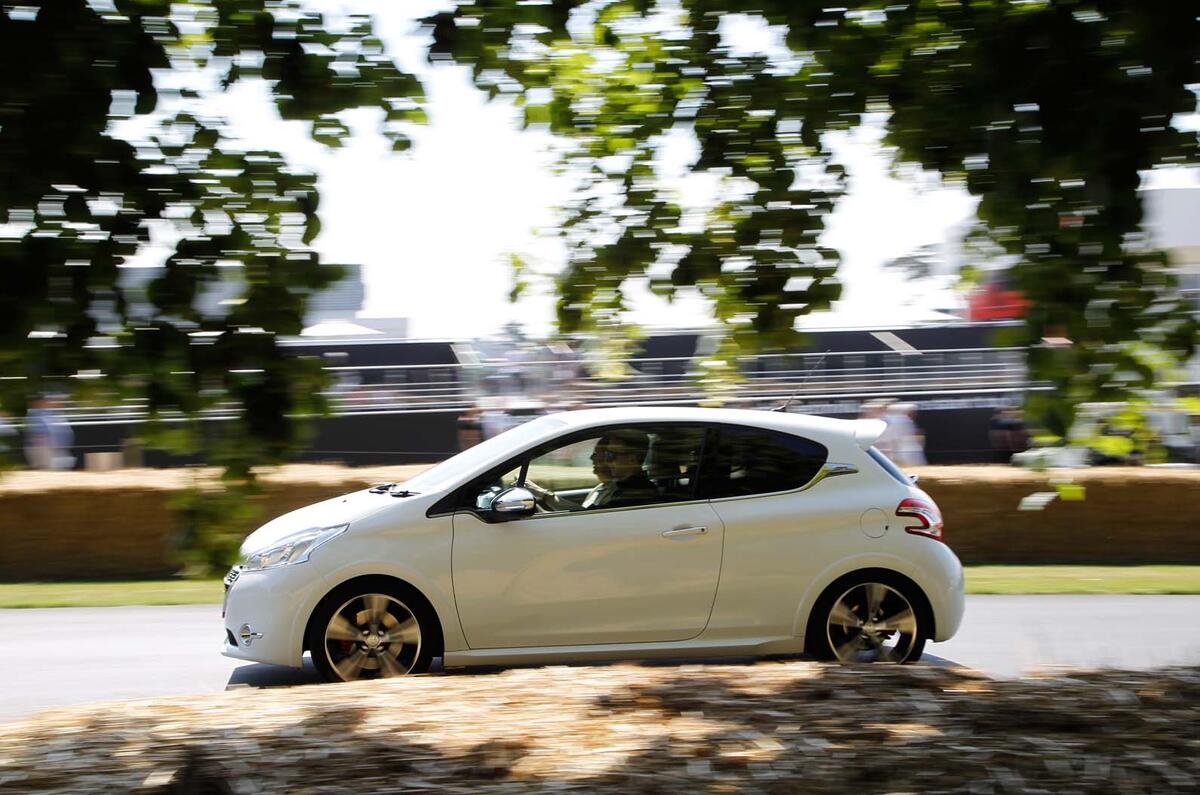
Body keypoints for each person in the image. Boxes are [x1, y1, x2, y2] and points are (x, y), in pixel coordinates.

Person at [580, 430, 658, 509]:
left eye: (611, 456)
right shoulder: (623, 486)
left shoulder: (639, 491)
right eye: (606, 455)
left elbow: (602, 513)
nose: (606, 461)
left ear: (632, 459)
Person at [24, 394, 75, 470]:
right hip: (44, 447)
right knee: (49, 470)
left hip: (58, 448)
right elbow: (36, 434)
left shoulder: (54, 414)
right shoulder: (36, 415)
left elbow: (64, 431)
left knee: (61, 470)